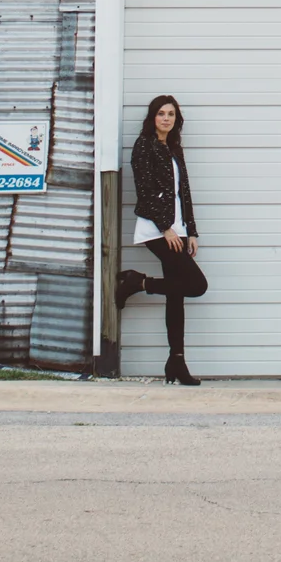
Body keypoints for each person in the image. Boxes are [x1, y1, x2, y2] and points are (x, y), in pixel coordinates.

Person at [115, 94, 208, 384]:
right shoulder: (144, 146)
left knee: (177, 295)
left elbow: (184, 193)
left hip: (177, 229)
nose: (166, 118)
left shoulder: (174, 148)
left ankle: (176, 362)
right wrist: (166, 227)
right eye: (161, 113)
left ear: (176, 119)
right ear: (152, 117)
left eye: (171, 114)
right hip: (157, 229)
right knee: (197, 285)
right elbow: (144, 190)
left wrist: (190, 231)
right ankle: (137, 283)